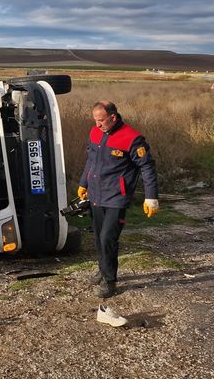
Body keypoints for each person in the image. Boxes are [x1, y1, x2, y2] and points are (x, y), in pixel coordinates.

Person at [78, 101, 158, 298]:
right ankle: (102, 268)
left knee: (108, 238)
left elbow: (147, 167)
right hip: (97, 194)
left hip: (116, 196)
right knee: (98, 237)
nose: (97, 125)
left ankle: (110, 281)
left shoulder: (132, 138)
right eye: (95, 120)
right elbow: (91, 160)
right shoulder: (95, 132)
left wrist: (151, 197)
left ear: (113, 117)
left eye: (101, 120)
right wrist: (83, 183)